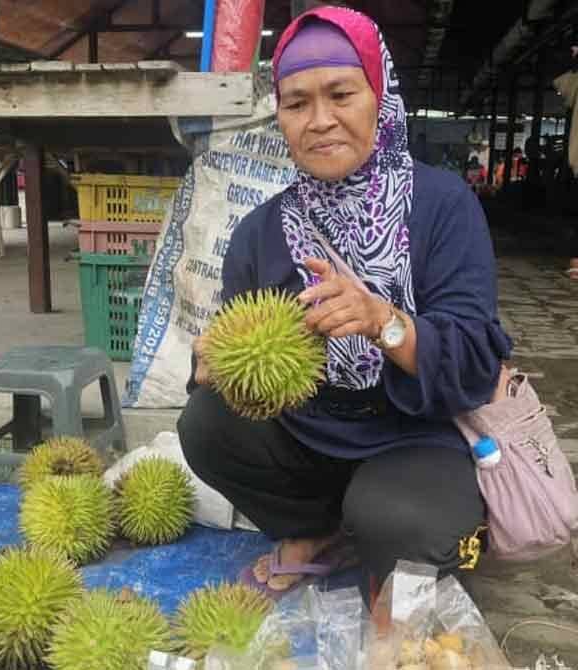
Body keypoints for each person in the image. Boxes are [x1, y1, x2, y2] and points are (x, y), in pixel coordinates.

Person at [177, 7, 511, 600]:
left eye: (341, 94)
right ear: (278, 114)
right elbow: (242, 368)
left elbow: (476, 363)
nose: (320, 120)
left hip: (415, 436)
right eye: (297, 102)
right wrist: (215, 370)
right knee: (205, 425)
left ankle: (373, 527)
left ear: (377, 96)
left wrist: (384, 321)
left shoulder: (441, 206)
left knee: (408, 528)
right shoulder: (260, 230)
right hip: (308, 434)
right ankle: (315, 529)